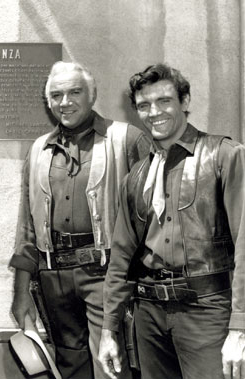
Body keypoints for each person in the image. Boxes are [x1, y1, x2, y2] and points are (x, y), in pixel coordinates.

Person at [98, 63, 245, 379]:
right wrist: (109, 328)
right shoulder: (135, 177)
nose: (154, 112)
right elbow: (121, 256)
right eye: (144, 105)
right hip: (148, 312)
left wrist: (240, 325)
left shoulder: (225, 156)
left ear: (185, 101)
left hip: (207, 311)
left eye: (164, 100)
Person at [10, 61, 150, 379]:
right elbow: (27, 229)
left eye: (75, 92)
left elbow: (152, 218)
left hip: (105, 274)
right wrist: (20, 293)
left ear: (92, 95)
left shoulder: (127, 139)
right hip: (53, 278)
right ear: (48, 102)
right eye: (57, 95)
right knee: (70, 367)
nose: (65, 102)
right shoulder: (37, 151)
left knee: (109, 366)